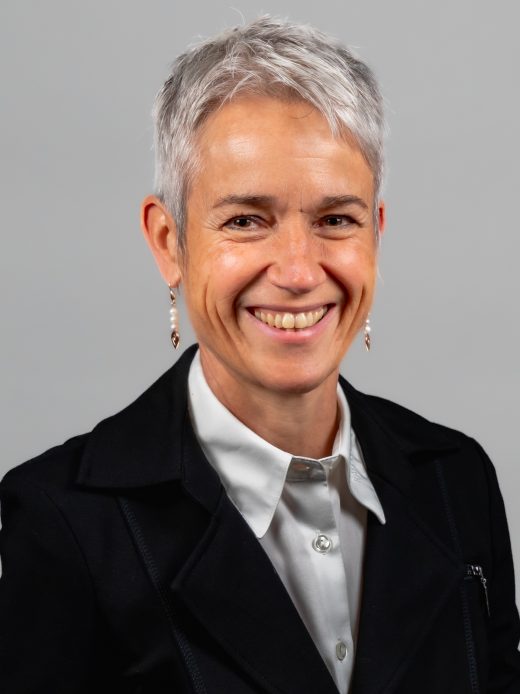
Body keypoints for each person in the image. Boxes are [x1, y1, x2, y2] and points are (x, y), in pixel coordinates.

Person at [0, 15, 519, 694]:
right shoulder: (60, 521)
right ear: (168, 242)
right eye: (246, 221)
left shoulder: (457, 480)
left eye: (336, 219)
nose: (299, 271)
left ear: (376, 234)